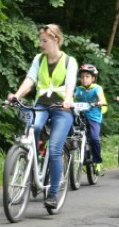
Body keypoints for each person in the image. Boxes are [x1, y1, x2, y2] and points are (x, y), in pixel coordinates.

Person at [8, 24, 78, 209]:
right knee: (35, 128)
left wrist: (68, 99)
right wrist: (16, 95)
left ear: (56, 39)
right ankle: (34, 160)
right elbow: (30, 80)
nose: (41, 44)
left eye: (44, 41)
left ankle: (53, 193)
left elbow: (70, 83)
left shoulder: (69, 61)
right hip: (42, 106)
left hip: (62, 108)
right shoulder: (39, 59)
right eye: (40, 40)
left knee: (55, 149)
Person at [74, 64, 107, 175]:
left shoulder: (97, 88)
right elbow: (71, 97)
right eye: (82, 77)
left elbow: (101, 98)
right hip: (80, 116)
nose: (84, 79)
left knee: (94, 139)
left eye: (87, 76)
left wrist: (99, 102)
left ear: (93, 78)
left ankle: (98, 162)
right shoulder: (79, 89)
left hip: (93, 117)